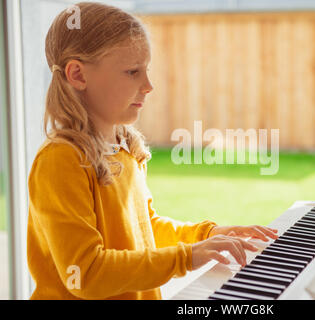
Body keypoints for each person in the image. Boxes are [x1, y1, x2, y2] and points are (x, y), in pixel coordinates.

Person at [27, 2, 278, 300]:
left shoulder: (125, 151)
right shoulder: (61, 160)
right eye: (133, 72)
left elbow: (144, 230)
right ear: (78, 75)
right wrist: (185, 257)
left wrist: (206, 236)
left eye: (145, 70)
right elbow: (86, 273)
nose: (148, 85)